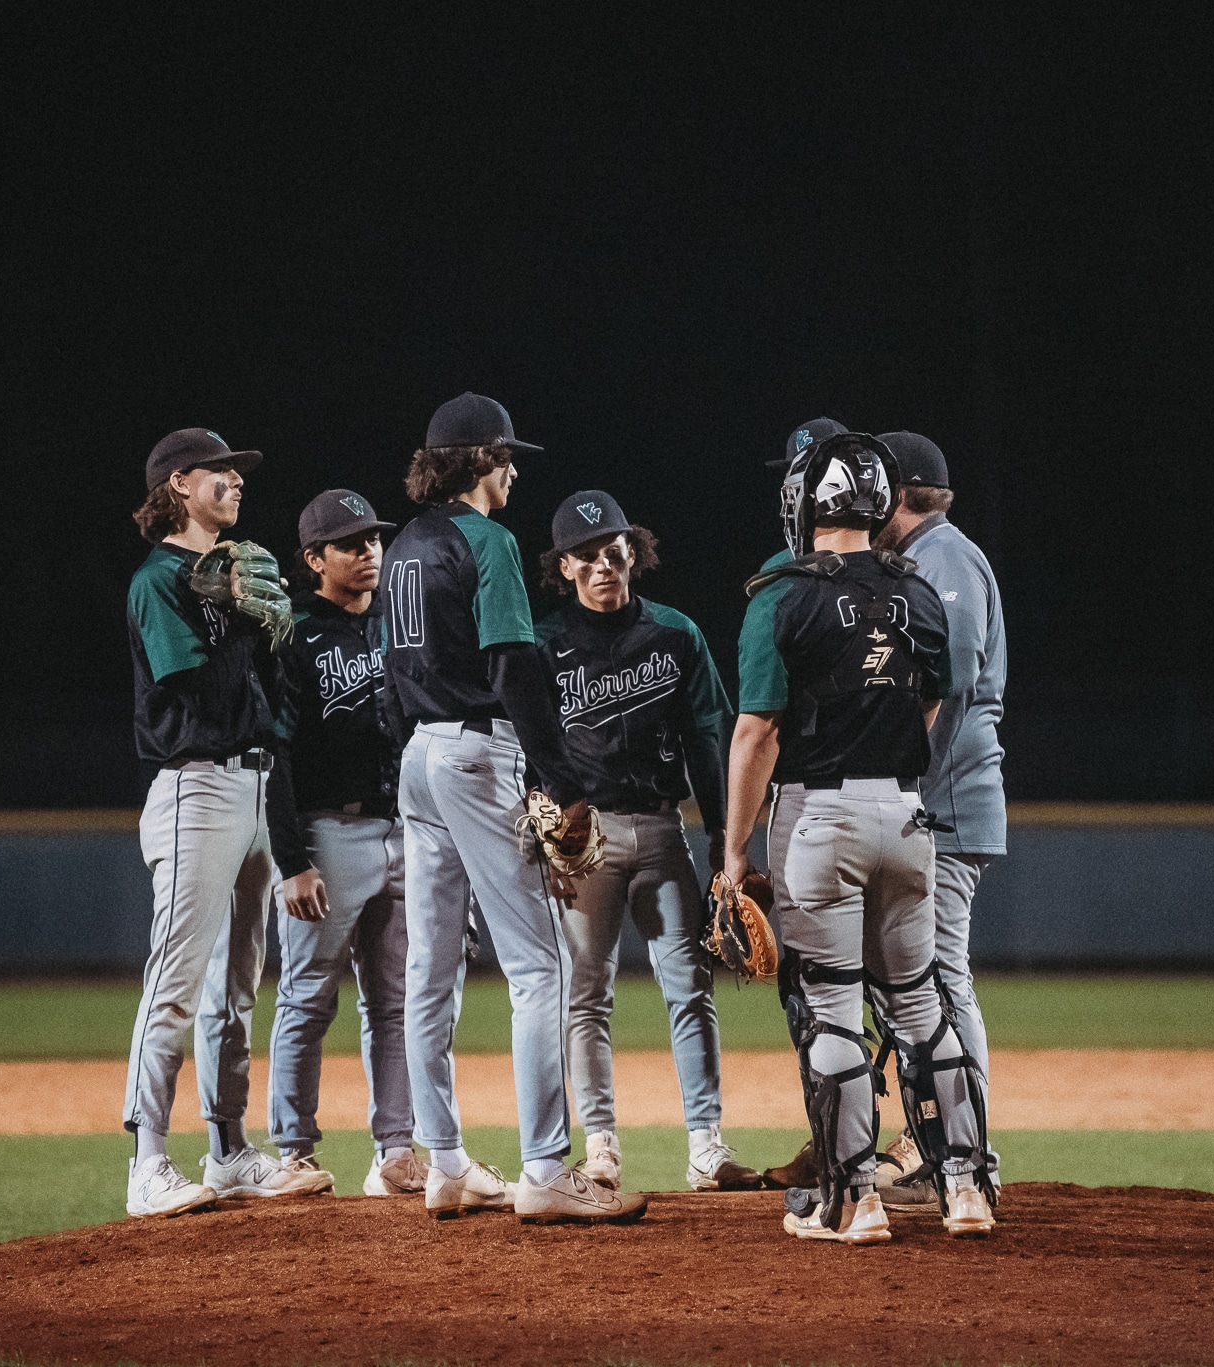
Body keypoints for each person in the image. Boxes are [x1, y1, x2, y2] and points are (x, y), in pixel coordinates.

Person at [380, 392, 645, 1225]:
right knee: (540, 966)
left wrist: (416, 764)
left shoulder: (402, 548)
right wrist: (565, 785)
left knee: (429, 968)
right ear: (477, 463)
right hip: (471, 746)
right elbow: (516, 669)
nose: (514, 469)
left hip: (418, 756)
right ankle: (543, 1166)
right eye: (504, 456)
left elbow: (390, 673)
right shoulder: (485, 538)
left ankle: (447, 1163)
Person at [720, 429, 992, 1243]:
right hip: (908, 818)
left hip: (822, 815)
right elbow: (938, 702)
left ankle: (855, 1199)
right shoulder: (916, 589)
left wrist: (734, 852)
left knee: (831, 1013)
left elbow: (756, 735)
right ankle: (969, 1187)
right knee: (921, 1006)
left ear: (806, 503)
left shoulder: (781, 594)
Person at [531, 489, 760, 1193]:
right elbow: (525, 748)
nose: (603, 565)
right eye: (587, 556)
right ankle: (600, 1147)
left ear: (635, 553)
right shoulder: (543, 646)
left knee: (690, 987)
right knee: (586, 995)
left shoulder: (675, 634)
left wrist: (727, 844)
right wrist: (538, 831)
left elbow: (709, 742)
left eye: (614, 551)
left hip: (663, 829)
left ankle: (706, 1146)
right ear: (564, 566)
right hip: (584, 839)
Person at [120, 427, 293, 1218]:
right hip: (196, 787)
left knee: (235, 987)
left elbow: (263, 697)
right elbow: (189, 686)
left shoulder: (224, 577)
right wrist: (235, 615)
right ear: (180, 483)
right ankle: (146, 1160)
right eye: (222, 471)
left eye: (238, 472)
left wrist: (261, 629)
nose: (237, 481)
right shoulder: (160, 580)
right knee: (176, 982)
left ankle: (229, 1149)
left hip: (252, 785)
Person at [260, 487, 427, 1198]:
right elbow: (276, 752)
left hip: (404, 829)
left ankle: (395, 1149)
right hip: (328, 831)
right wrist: (291, 858)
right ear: (313, 558)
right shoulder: (293, 636)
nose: (368, 551)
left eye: (374, 540)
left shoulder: (400, 625)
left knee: (397, 1000)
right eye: (351, 542)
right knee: (307, 997)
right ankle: (293, 1149)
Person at [869, 431, 1006, 1214]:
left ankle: (970, 1155)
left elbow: (952, 678)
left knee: (944, 985)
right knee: (924, 985)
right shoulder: (928, 556)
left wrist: (906, 777)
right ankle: (942, 1147)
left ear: (899, 494)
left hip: (946, 802)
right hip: (942, 800)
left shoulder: (944, 554)